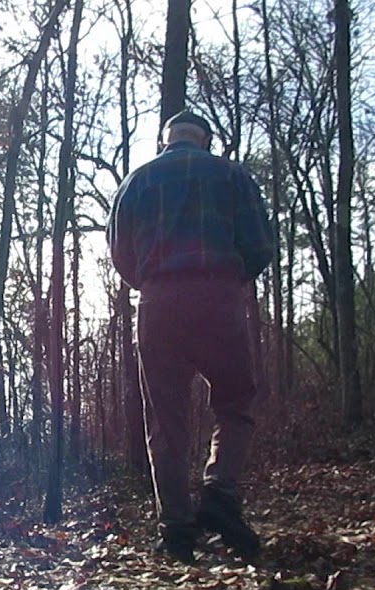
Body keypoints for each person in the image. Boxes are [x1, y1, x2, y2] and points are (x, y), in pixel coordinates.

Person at [106, 109, 275, 564]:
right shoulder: (232, 176)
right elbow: (261, 246)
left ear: (166, 140)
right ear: (205, 139)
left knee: (166, 419)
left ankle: (176, 530)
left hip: (158, 303)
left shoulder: (136, 182)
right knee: (235, 401)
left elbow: (120, 253)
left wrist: (152, 282)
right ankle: (219, 494)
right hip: (218, 295)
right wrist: (230, 278)